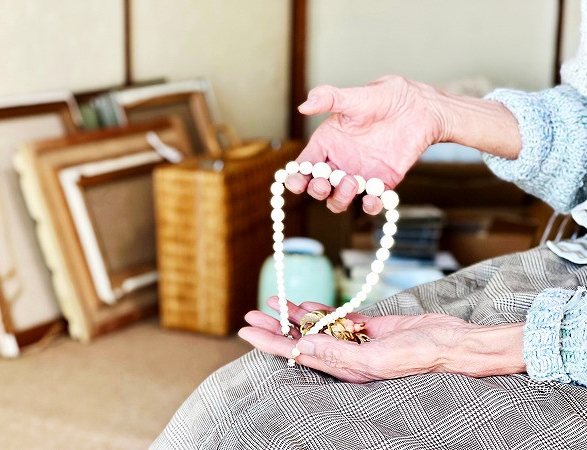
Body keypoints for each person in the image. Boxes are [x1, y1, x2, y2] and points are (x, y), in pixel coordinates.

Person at [152, 4, 587, 448]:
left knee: (283, 430)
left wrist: (464, 347)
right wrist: (434, 110)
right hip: (571, 270)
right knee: (242, 397)